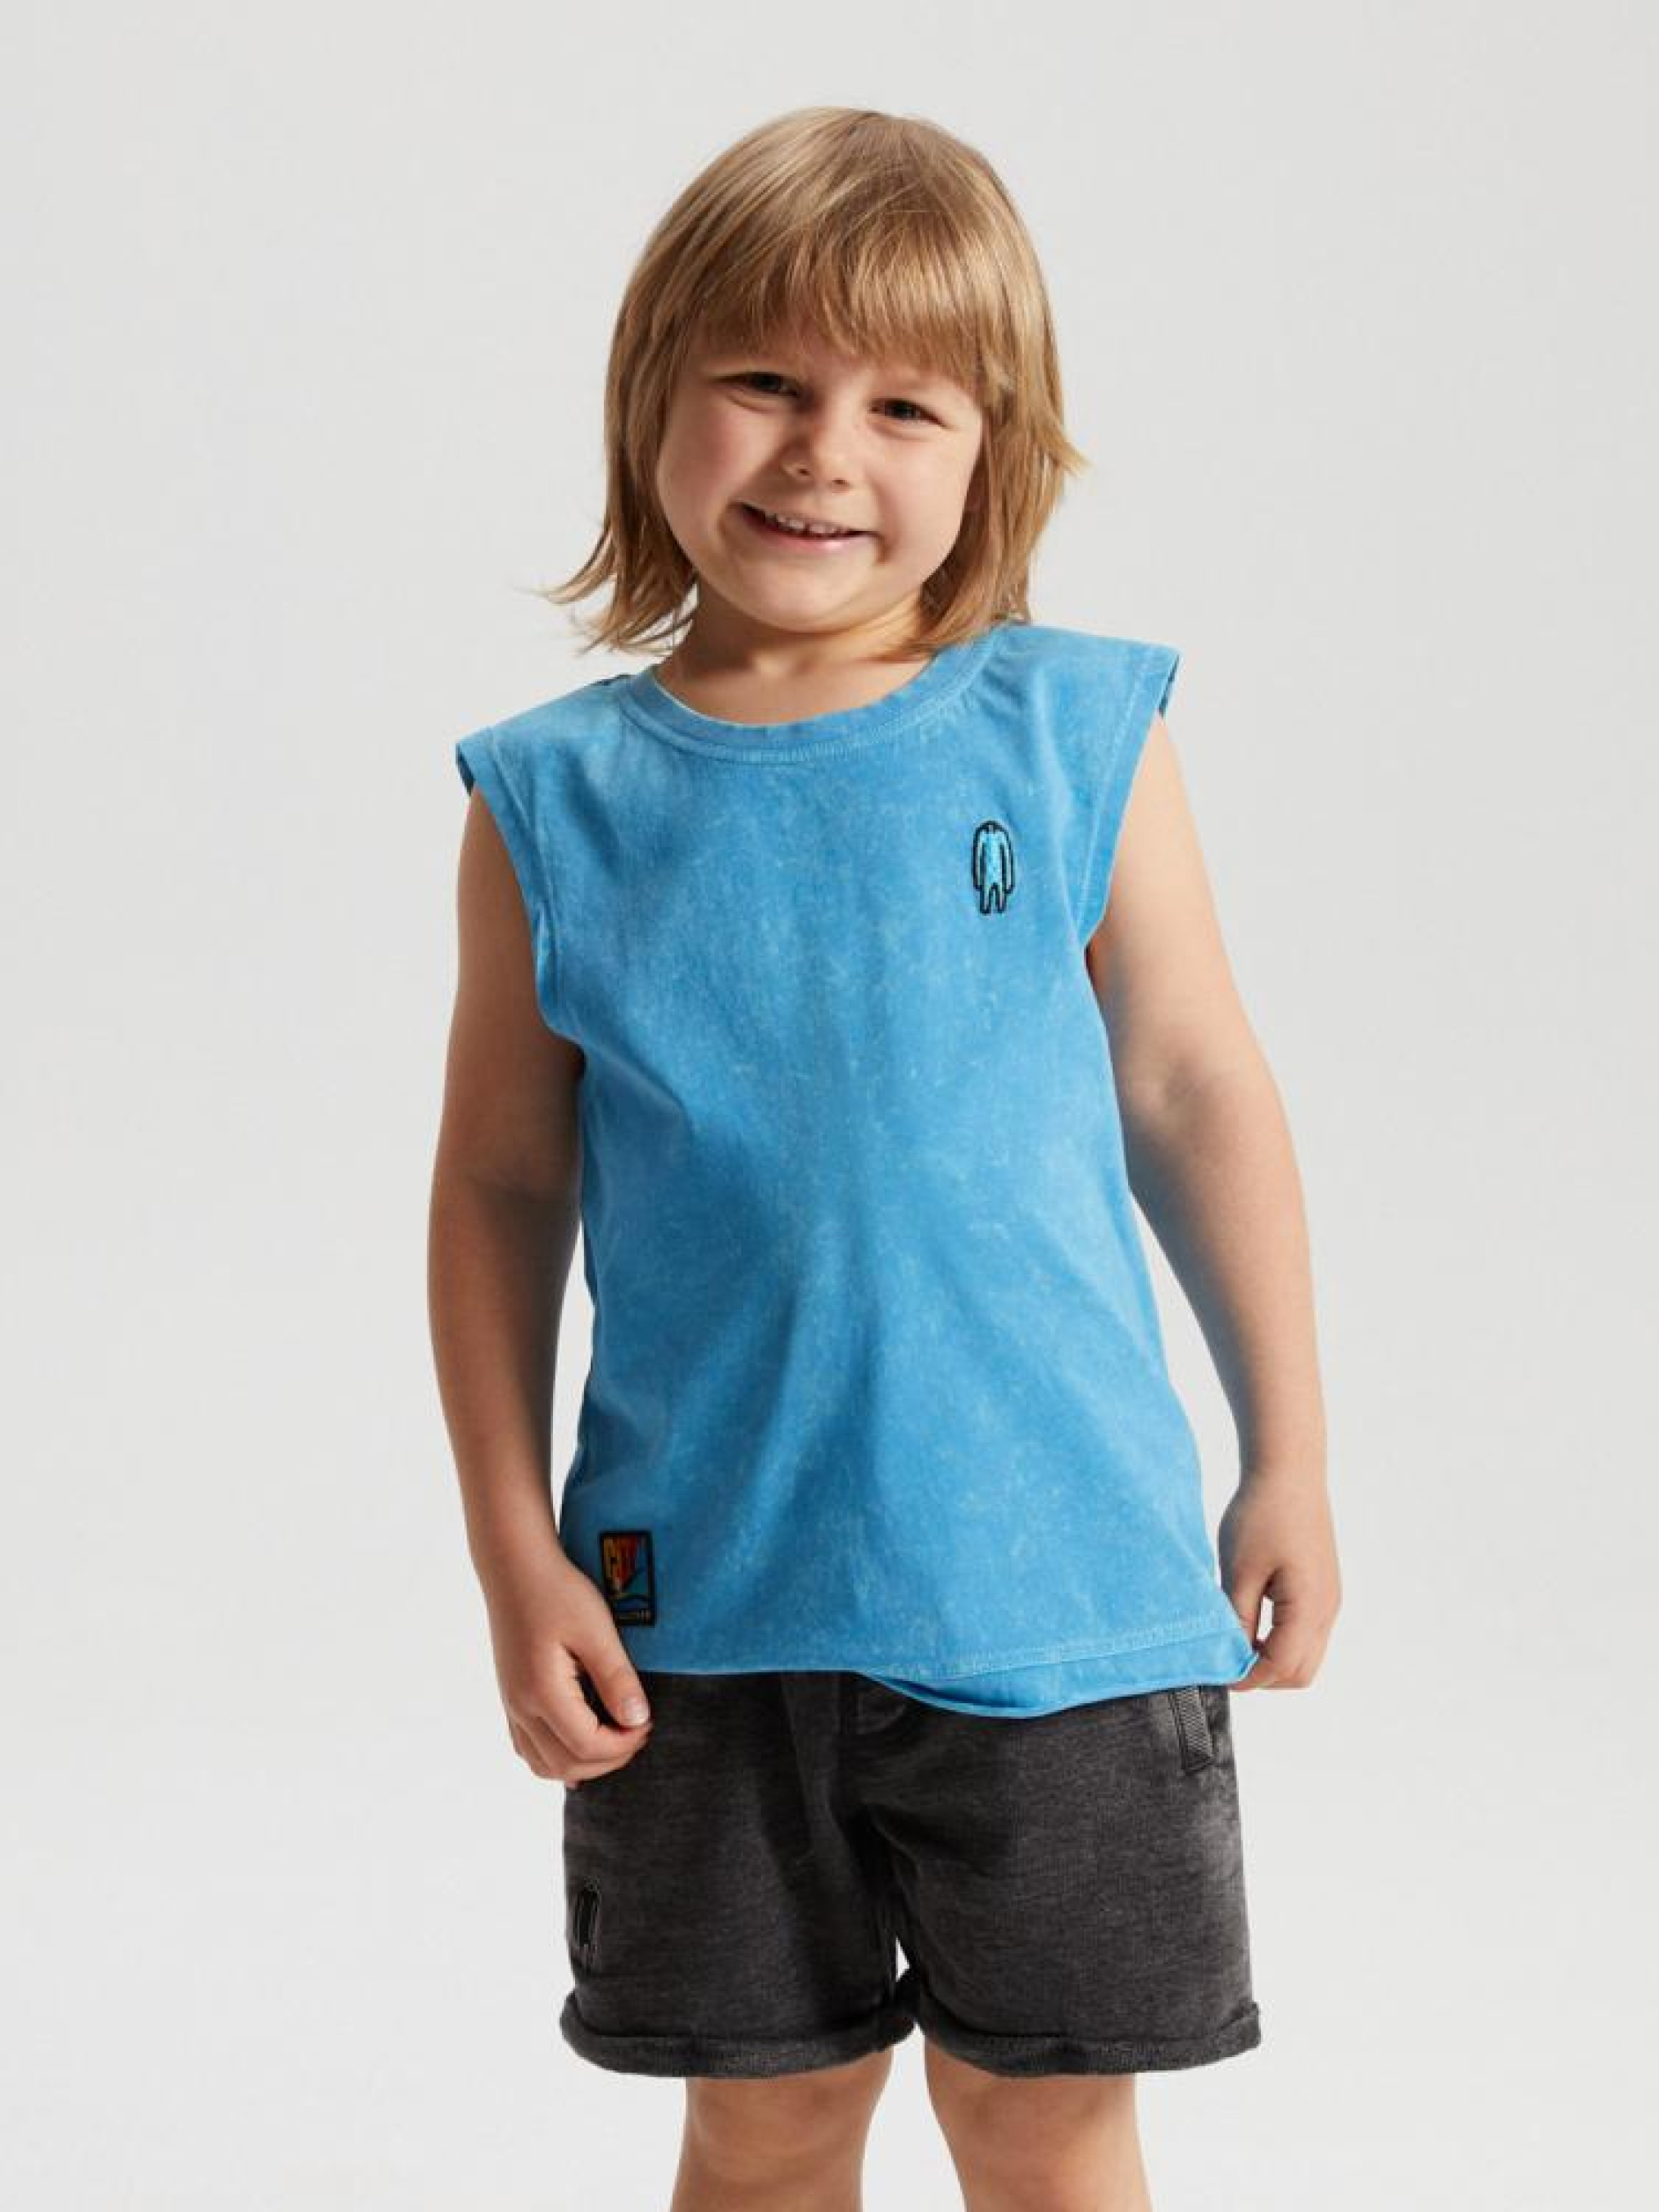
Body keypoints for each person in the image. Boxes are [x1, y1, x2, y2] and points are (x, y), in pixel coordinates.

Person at [428, 104, 1341, 2212]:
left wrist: (1286, 1449)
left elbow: (1193, 1083)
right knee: (762, 2130)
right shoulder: (552, 802)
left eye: (901, 404)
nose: (822, 452)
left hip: (1066, 1605)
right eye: (762, 378)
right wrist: (509, 1545)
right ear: (649, 397)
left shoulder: (1074, 733)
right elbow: (495, 1186)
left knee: (1043, 2129)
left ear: (988, 453)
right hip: (699, 1616)